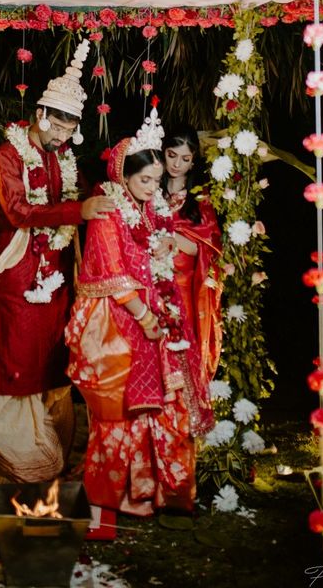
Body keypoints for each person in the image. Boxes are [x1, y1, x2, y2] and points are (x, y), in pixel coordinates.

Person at [0, 39, 112, 484]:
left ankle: (51, 454)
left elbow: (81, 195)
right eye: (60, 128)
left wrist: (108, 197)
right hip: (17, 275)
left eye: (72, 130)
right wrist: (79, 212)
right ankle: (23, 459)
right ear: (40, 116)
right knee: (16, 361)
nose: (66, 137)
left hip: (55, 275)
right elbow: (18, 212)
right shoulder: (7, 155)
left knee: (53, 362)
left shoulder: (63, 157)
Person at [66, 109, 214, 517]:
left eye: (155, 181)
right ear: (123, 177)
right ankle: (117, 494)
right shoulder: (108, 211)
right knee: (121, 409)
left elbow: (157, 258)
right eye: (144, 180)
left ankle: (161, 492)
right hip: (120, 322)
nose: (152, 188)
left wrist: (160, 301)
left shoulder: (148, 209)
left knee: (165, 404)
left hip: (154, 317)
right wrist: (145, 316)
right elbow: (110, 270)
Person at [163, 125, 223, 383]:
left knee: (181, 353)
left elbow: (208, 247)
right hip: (149, 287)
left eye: (185, 159)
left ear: (193, 161)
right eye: (171, 155)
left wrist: (169, 236)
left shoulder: (200, 198)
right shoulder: (149, 189)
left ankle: (183, 417)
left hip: (184, 289)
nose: (177, 164)